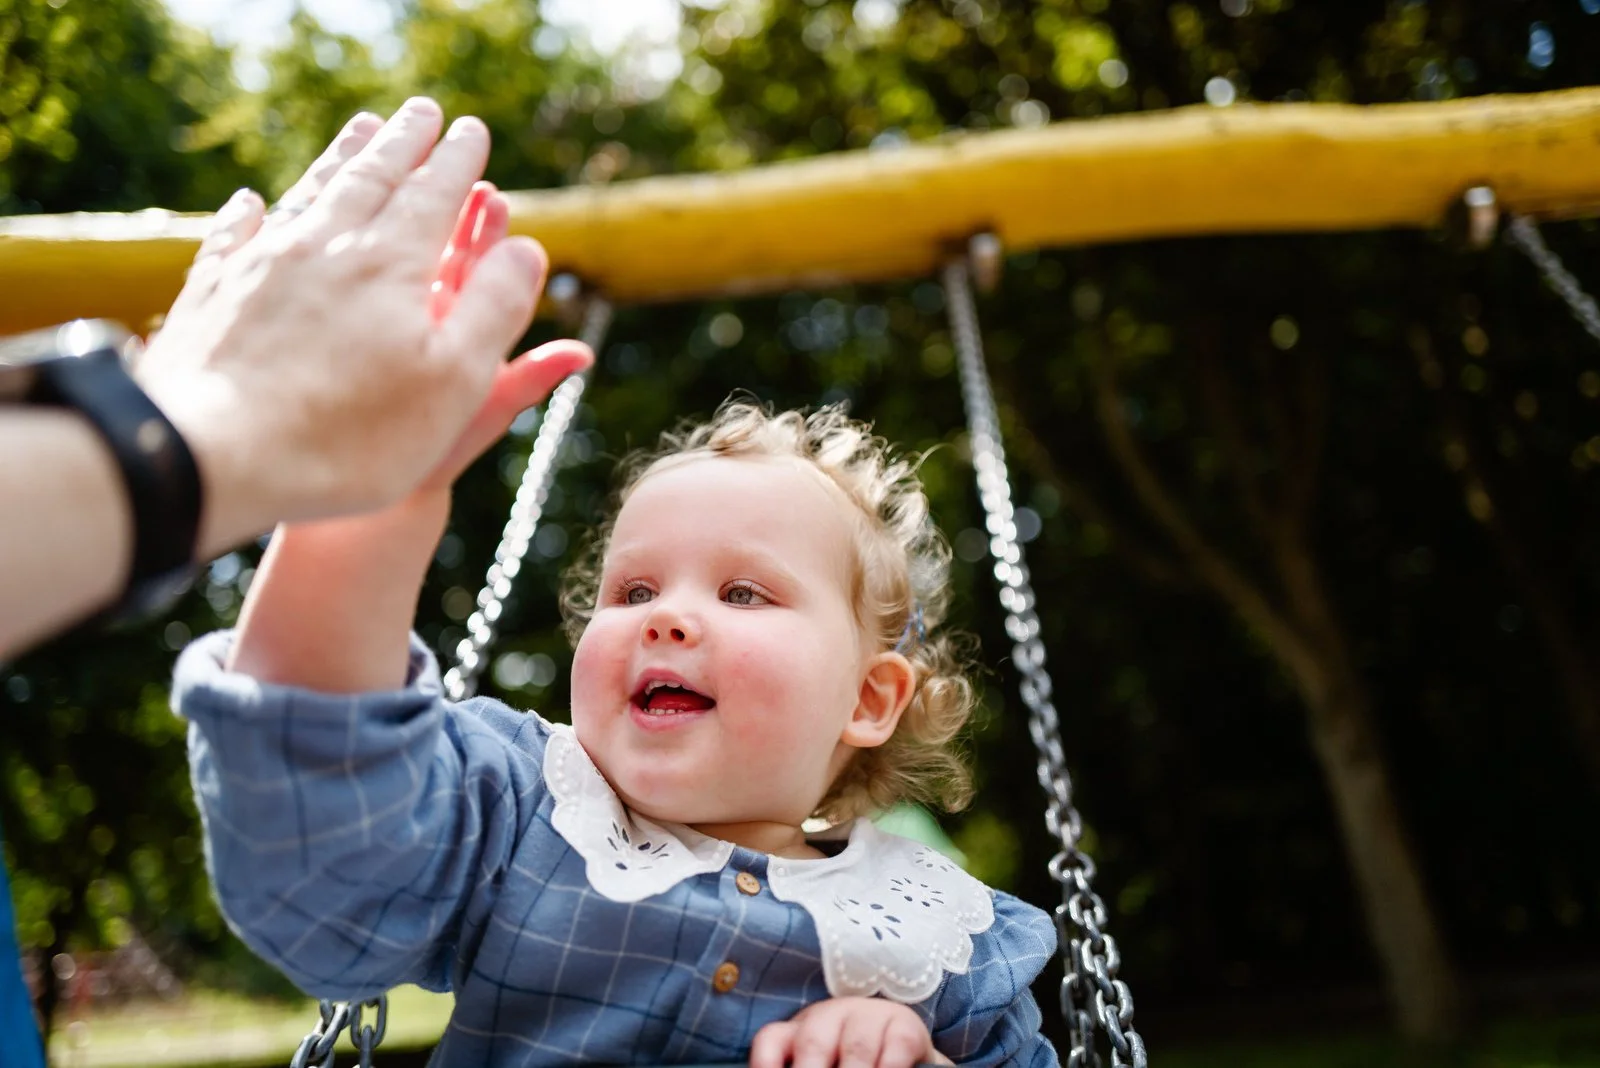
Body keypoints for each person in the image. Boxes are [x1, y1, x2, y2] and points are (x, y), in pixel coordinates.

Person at [171, 398, 1060, 1068]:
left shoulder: (949, 937)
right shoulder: (521, 814)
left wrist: (917, 1055)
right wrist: (362, 524)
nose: (666, 618)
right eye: (633, 593)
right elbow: (323, 852)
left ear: (868, 700)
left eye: (743, 593)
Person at [0, 97, 592, 657]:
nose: (673, 621)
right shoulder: (507, 763)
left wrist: (214, 414)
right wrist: (384, 491)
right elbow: (307, 737)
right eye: (633, 590)